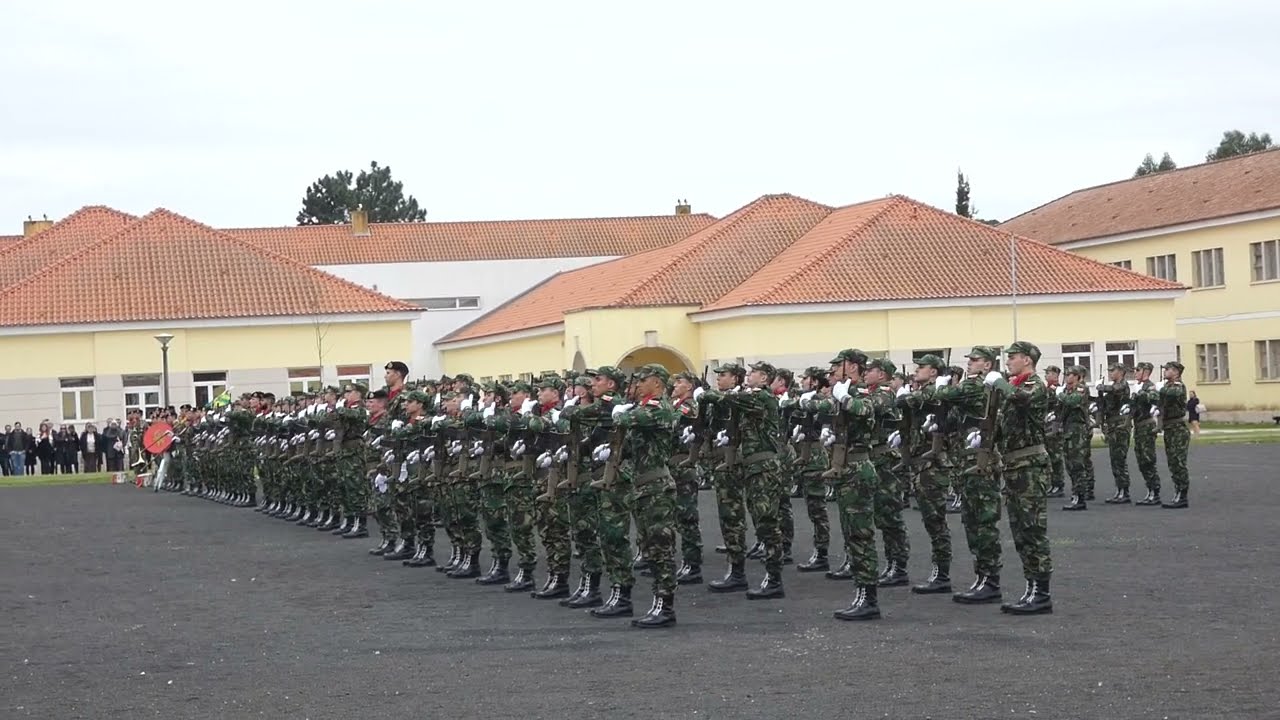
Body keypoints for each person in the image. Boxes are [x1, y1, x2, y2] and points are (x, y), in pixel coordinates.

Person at [986, 341, 1054, 615]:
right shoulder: (1015, 386)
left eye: (1012, 357)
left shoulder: (1034, 386)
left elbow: (1020, 399)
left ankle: (1042, 592)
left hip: (1030, 466)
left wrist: (1000, 383)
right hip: (1014, 467)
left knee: (1033, 530)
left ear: (1027, 359)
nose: (1008, 361)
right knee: (1020, 531)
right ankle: (1031, 586)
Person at [1158, 362, 1191, 508]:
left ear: (1176, 372)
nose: (1165, 371)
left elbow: (1173, 394)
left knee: (1178, 462)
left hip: (1178, 428)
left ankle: (1182, 495)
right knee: (1172, 462)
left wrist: (1160, 390)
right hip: (1169, 428)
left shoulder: (1178, 386)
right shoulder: (1166, 387)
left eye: (1168, 369)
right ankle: (1177, 491)